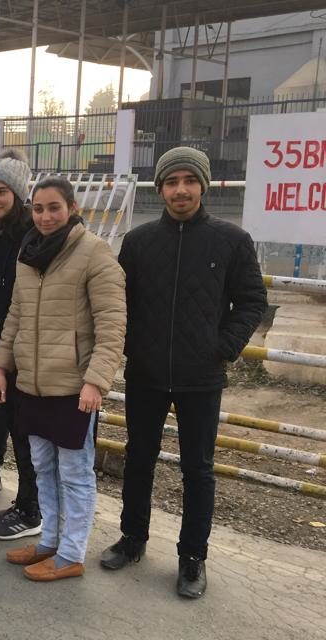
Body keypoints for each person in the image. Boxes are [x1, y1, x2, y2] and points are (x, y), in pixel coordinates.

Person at [100, 147, 267, 599]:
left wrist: (223, 348)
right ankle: (133, 538)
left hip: (201, 378)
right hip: (146, 374)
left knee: (198, 469)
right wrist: (132, 346)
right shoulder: (138, 243)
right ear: (160, 189)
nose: (180, 190)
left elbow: (251, 301)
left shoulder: (231, 241)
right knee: (139, 458)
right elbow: (120, 303)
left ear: (203, 186)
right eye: (171, 182)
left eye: (189, 181)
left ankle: (193, 558)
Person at [0, 176, 126, 582]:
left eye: (54, 208)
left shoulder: (94, 253)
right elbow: (15, 315)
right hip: (31, 383)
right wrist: (1, 368)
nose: (46, 216)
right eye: (38, 208)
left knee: (75, 473)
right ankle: (49, 540)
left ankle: (71, 554)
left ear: (71, 208)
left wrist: (96, 381)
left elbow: (112, 323)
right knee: (42, 467)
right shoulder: (28, 254)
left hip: (73, 388)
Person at [0, 150, 43, 542]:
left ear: (19, 195)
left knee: (26, 429)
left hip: (25, 351)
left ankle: (33, 509)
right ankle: (25, 501)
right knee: (7, 422)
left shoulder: (32, 239)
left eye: (2, 191)